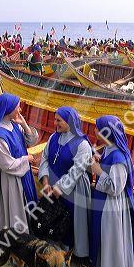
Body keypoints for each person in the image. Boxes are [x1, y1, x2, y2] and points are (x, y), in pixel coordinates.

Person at [90, 115, 134, 267]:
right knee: (102, 234)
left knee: (109, 237)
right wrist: (99, 158)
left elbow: (115, 188)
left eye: (97, 129)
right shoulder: (109, 149)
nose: (95, 131)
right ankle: (100, 265)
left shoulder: (118, 158)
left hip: (111, 205)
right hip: (104, 200)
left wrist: (96, 169)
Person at [38, 107, 92, 258]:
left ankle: (69, 251)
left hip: (72, 190)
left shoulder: (82, 145)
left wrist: (59, 187)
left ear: (69, 122)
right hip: (52, 186)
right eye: (54, 120)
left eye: (58, 120)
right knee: (53, 215)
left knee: (69, 219)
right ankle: (55, 246)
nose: (55, 123)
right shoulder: (53, 138)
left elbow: (77, 170)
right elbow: (45, 159)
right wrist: (46, 181)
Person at [0, 93, 39, 233]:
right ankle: (17, 239)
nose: (20, 110)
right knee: (16, 210)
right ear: (8, 109)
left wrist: (24, 124)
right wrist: (26, 159)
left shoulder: (14, 125)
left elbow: (31, 141)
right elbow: (6, 164)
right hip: (11, 179)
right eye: (17, 107)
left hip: (23, 173)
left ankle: (28, 233)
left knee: (26, 204)